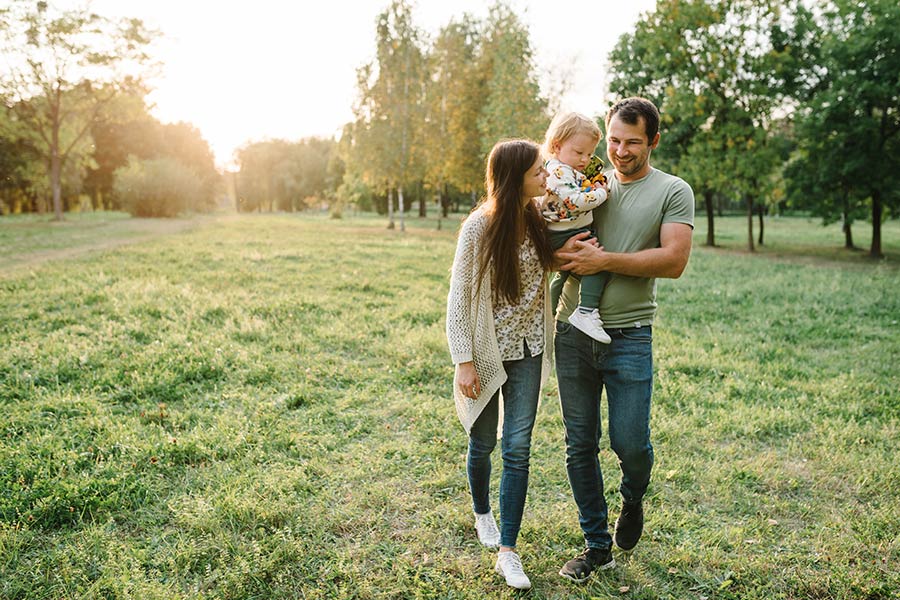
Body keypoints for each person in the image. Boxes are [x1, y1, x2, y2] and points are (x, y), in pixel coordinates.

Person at [553, 97, 695, 583]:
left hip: (630, 334)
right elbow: (549, 238)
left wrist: (604, 261)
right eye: (614, 140)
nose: (619, 151)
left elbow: (673, 261)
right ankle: (596, 546)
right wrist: (562, 257)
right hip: (571, 330)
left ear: (653, 140)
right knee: (580, 443)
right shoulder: (584, 181)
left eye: (632, 142)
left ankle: (632, 498)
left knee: (629, 442)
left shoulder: (673, 191)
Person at [445, 139, 556, 590]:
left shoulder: (540, 218)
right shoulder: (478, 228)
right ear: (515, 179)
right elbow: (458, 298)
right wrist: (464, 361)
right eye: (539, 172)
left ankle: (508, 551)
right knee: (483, 440)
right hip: (488, 352)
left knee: (518, 449)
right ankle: (482, 514)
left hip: (530, 349)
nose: (546, 178)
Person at [540, 112, 612, 344]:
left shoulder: (567, 169)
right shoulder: (559, 171)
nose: (585, 159)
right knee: (596, 265)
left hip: (563, 231)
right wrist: (601, 193)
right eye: (579, 153)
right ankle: (586, 311)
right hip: (566, 233)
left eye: (590, 154)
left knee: (565, 273)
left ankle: (546, 313)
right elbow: (576, 201)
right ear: (557, 146)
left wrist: (591, 181)